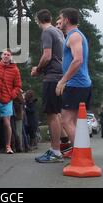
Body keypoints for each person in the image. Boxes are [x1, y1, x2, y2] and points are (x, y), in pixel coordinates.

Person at [32, 9, 65, 163]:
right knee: (57, 113)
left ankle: (55, 152)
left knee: (51, 115)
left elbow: (47, 56)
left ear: (38, 20)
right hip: (61, 75)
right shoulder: (58, 32)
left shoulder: (46, 32)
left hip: (51, 76)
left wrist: (37, 69)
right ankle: (57, 149)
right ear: (50, 18)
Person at [55, 8, 92, 147]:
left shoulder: (74, 36)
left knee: (65, 120)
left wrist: (63, 81)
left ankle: (80, 153)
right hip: (80, 84)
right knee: (74, 121)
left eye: (60, 18)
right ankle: (79, 152)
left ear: (66, 20)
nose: (59, 20)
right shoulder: (74, 35)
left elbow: (78, 60)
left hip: (76, 84)